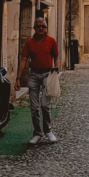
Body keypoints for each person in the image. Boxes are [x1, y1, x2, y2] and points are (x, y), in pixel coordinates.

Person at [17, 17, 60, 146]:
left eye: (43, 26)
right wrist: (18, 78)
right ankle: (37, 133)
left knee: (44, 105)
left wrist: (56, 68)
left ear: (46, 28)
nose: (41, 28)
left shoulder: (51, 41)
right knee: (34, 107)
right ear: (34, 28)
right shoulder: (29, 42)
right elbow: (24, 60)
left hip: (47, 73)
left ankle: (48, 130)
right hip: (34, 75)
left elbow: (56, 57)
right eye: (38, 26)